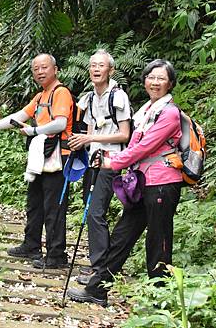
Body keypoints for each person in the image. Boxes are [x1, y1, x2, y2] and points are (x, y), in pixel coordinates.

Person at [68, 59, 183, 306]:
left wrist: (114, 162)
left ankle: (159, 302)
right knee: (122, 235)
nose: (155, 83)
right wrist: (111, 157)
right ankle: (97, 289)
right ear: (144, 81)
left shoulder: (170, 113)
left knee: (158, 241)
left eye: (161, 78)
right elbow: (134, 143)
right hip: (143, 184)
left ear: (170, 83)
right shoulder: (146, 111)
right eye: (151, 78)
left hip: (163, 183)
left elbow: (144, 147)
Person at [0, 53, 75, 268]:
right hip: (41, 155)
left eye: (44, 68)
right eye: (36, 69)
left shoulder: (61, 93)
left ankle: (56, 255)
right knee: (34, 203)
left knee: (53, 208)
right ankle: (31, 246)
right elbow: (19, 117)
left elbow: (60, 124)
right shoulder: (41, 96)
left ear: (55, 69)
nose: (40, 72)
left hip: (58, 156)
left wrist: (34, 130)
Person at [68, 50, 132, 285]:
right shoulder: (90, 98)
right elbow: (91, 132)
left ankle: (101, 269)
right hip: (95, 160)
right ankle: (99, 266)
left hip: (112, 161)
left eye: (101, 65)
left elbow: (124, 134)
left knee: (96, 213)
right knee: (92, 212)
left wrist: (89, 140)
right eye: (93, 65)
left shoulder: (118, 97)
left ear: (110, 70)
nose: (96, 69)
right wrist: (84, 144)